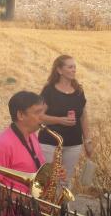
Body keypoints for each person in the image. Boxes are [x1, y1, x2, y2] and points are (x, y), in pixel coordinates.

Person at [38, 55, 93, 186]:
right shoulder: (49, 90)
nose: (74, 70)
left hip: (74, 144)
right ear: (59, 70)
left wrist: (88, 141)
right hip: (50, 143)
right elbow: (39, 117)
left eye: (74, 67)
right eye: (70, 67)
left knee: (65, 181)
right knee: (48, 181)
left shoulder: (79, 91)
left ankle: (62, 200)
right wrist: (59, 120)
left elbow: (83, 117)